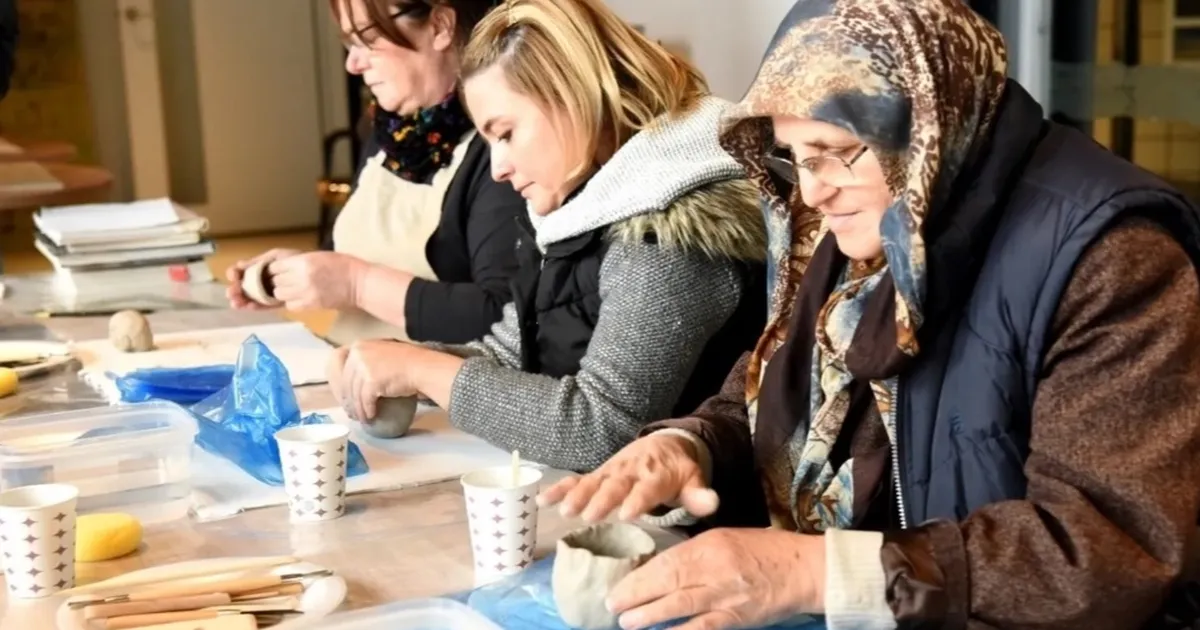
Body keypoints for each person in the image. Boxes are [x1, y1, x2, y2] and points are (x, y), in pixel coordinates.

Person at [538, 0, 1200, 628]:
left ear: (926, 123)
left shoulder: (1113, 257)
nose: (814, 190)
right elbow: (768, 390)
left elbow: (1107, 551)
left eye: (835, 151)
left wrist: (816, 572)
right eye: (793, 158)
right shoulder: (869, 228)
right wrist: (693, 446)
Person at [327, 0, 766, 472]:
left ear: (574, 97)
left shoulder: (670, 236)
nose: (498, 169)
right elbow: (508, 354)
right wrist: (400, 365)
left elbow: (603, 429)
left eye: (507, 133)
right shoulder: (580, 210)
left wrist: (423, 371)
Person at [227, 0, 524, 346]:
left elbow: (504, 318)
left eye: (367, 38)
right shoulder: (391, 135)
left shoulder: (499, 154)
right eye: (348, 44)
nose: (353, 64)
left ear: (441, 26)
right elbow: (355, 252)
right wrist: (303, 272)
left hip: (432, 393)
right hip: (352, 370)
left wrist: (358, 284)